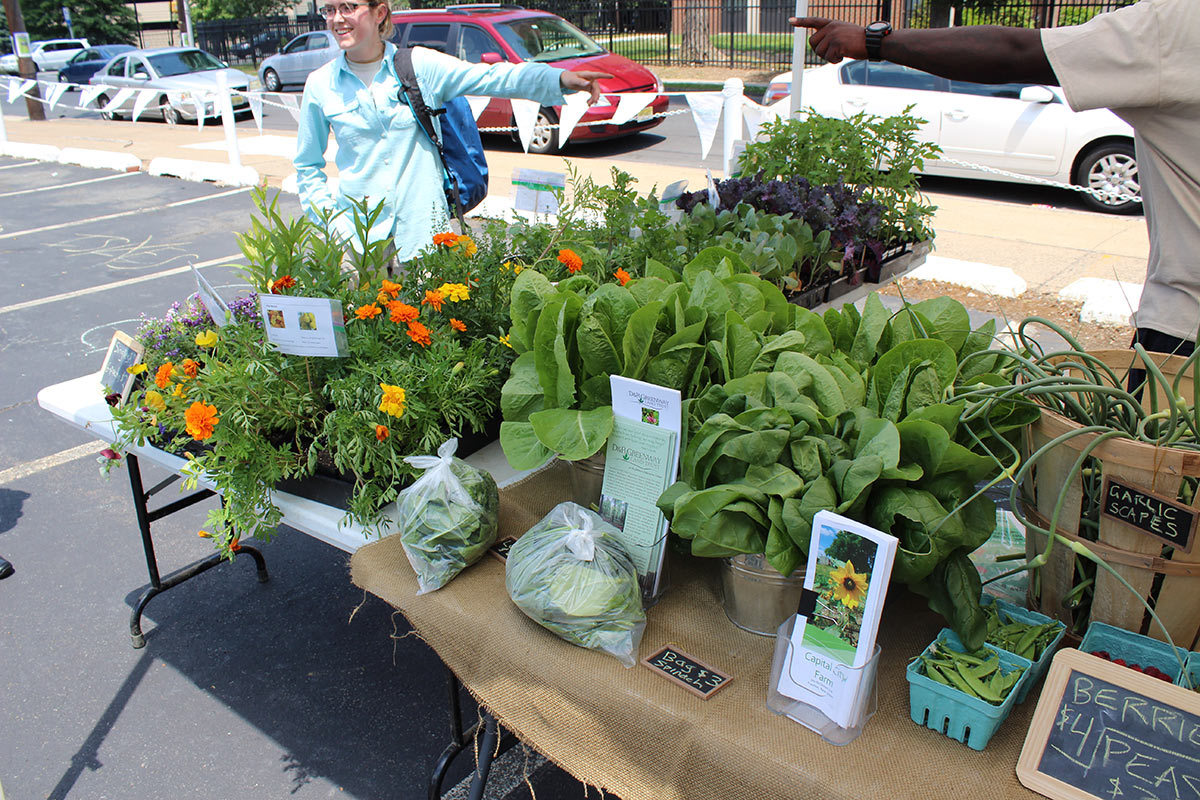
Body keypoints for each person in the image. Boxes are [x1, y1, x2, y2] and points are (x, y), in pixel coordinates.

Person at [791, 0, 1200, 358]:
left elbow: (1016, 51)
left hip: (1187, 330)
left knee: (1159, 447)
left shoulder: (1176, 22)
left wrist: (874, 41)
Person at [295, 0, 609, 265]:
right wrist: (331, 222)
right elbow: (307, 166)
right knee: (369, 336)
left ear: (379, 13)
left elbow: (491, 78)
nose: (337, 18)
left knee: (435, 331)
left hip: (425, 239)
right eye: (329, 9)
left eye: (348, 7)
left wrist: (559, 79)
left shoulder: (418, 65)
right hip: (360, 247)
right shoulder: (320, 84)